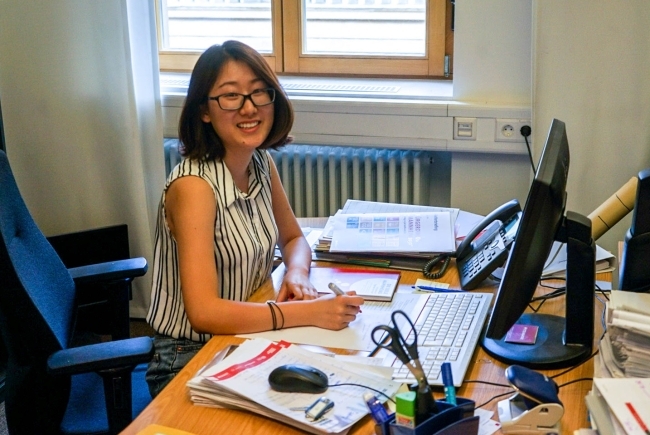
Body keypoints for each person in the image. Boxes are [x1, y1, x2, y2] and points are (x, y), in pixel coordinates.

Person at [145, 40, 364, 397]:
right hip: (187, 356)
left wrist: (296, 274)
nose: (249, 108)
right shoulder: (194, 188)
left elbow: (294, 239)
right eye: (231, 96)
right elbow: (204, 312)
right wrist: (309, 312)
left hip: (247, 331)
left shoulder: (260, 162)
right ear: (204, 110)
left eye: (259, 93)